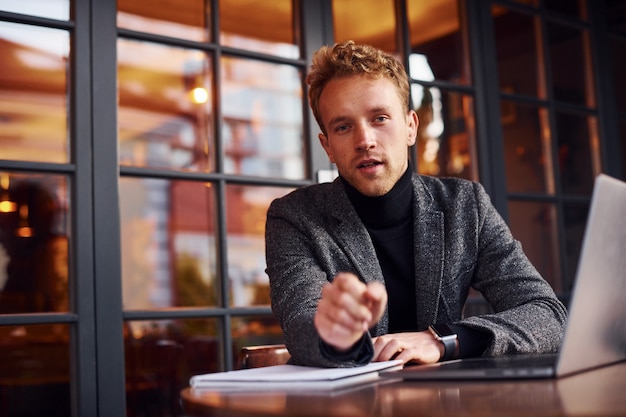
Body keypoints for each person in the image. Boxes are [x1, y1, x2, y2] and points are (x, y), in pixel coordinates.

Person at [265, 40, 567, 368]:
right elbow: (303, 326)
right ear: (328, 147)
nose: (364, 140)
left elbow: (547, 314)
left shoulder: (467, 205)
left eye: (379, 118)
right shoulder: (293, 217)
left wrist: (443, 339)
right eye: (343, 126)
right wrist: (337, 336)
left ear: (411, 127)